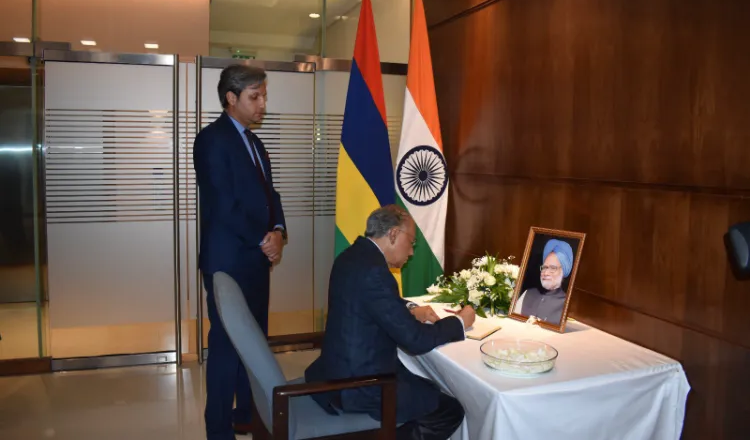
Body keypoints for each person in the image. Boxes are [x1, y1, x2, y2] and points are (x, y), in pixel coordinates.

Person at [306, 205, 475, 440]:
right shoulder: (375, 272)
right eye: (412, 243)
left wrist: (411, 308)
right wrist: (459, 322)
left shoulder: (351, 256)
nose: (412, 252)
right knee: (449, 408)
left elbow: (373, 302)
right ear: (394, 234)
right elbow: (415, 340)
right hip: (361, 385)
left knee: (426, 384)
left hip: (335, 368)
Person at [193, 64, 287, 440]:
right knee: (227, 349)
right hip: (227, 264)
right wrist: (264, 238)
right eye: (255, 96)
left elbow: (270, 196)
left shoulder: (255, 142)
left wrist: (278, 231)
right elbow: (223, 204)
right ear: (231, 99)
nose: (262, 103)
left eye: (263, 95)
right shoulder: (212, 139)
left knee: (255, 345)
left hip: (255, 260)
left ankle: (248, 414)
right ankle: (218, 428)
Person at [513, 239, 573, 324]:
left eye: (553, 268)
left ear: (563, 272)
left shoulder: (567, 304)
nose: (546, 272)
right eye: (544, 267)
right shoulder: (528, 293)